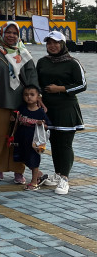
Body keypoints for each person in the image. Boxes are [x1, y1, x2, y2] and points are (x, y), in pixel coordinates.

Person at [0, 21, 39, 185]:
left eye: (15, 33)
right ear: (2, 33)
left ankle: (18, 170)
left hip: (20, 102)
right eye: (8, 32)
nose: (11, 36)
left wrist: (34, 99)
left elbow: (31, 78)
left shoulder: (24, 54)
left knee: (20, 139)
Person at [36, 30, 87, 195]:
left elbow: (82, 85)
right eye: (49, 43)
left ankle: (64, 178)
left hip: (66, 108)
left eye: (56, 42)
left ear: (63, 44)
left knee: (65, 144)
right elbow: (36, 82)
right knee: (55, 144)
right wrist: (38, 97)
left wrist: (61, 89)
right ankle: (57, 174)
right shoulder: (43, 62)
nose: (52, 46)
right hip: (48, 108)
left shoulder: (72, 63)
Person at [12, 85, 52, 191]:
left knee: (34, 160)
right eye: (26, 95)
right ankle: (39, 175)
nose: (29, 97)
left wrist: (40, 123)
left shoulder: (40, 112)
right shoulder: (22, 108)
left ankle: (34, 182)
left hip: (34, 142)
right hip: (21, 139)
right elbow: (16, 120)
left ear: (38, 97)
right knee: (23, 158)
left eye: (32, 95)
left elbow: (48, 125)